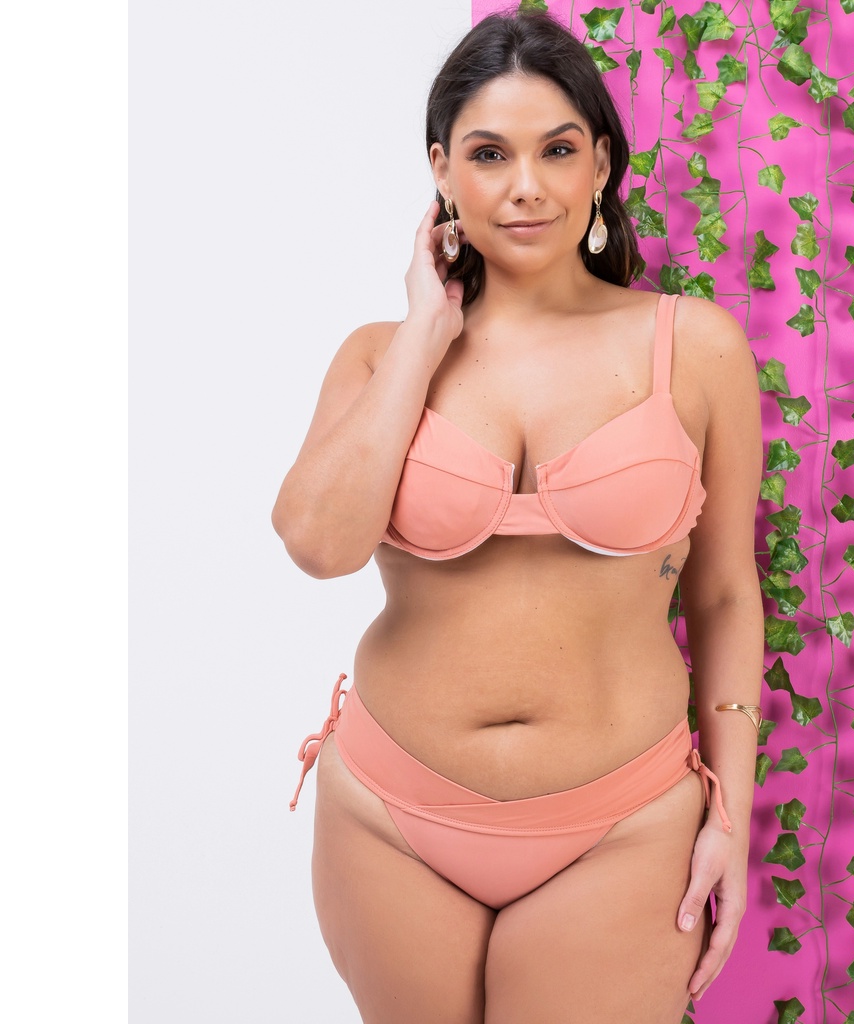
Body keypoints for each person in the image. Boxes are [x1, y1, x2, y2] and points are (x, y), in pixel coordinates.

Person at [273, 9, 763, 1023]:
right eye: (490, 154)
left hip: (622, 822)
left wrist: (733, 811)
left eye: (558, 150)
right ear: (441, 169)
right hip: (390, 815)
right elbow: (318, 545)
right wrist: (425, 333)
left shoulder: (695, 347)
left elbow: (722, 594)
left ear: (602, 166)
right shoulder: (378, 355)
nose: (526, 185)